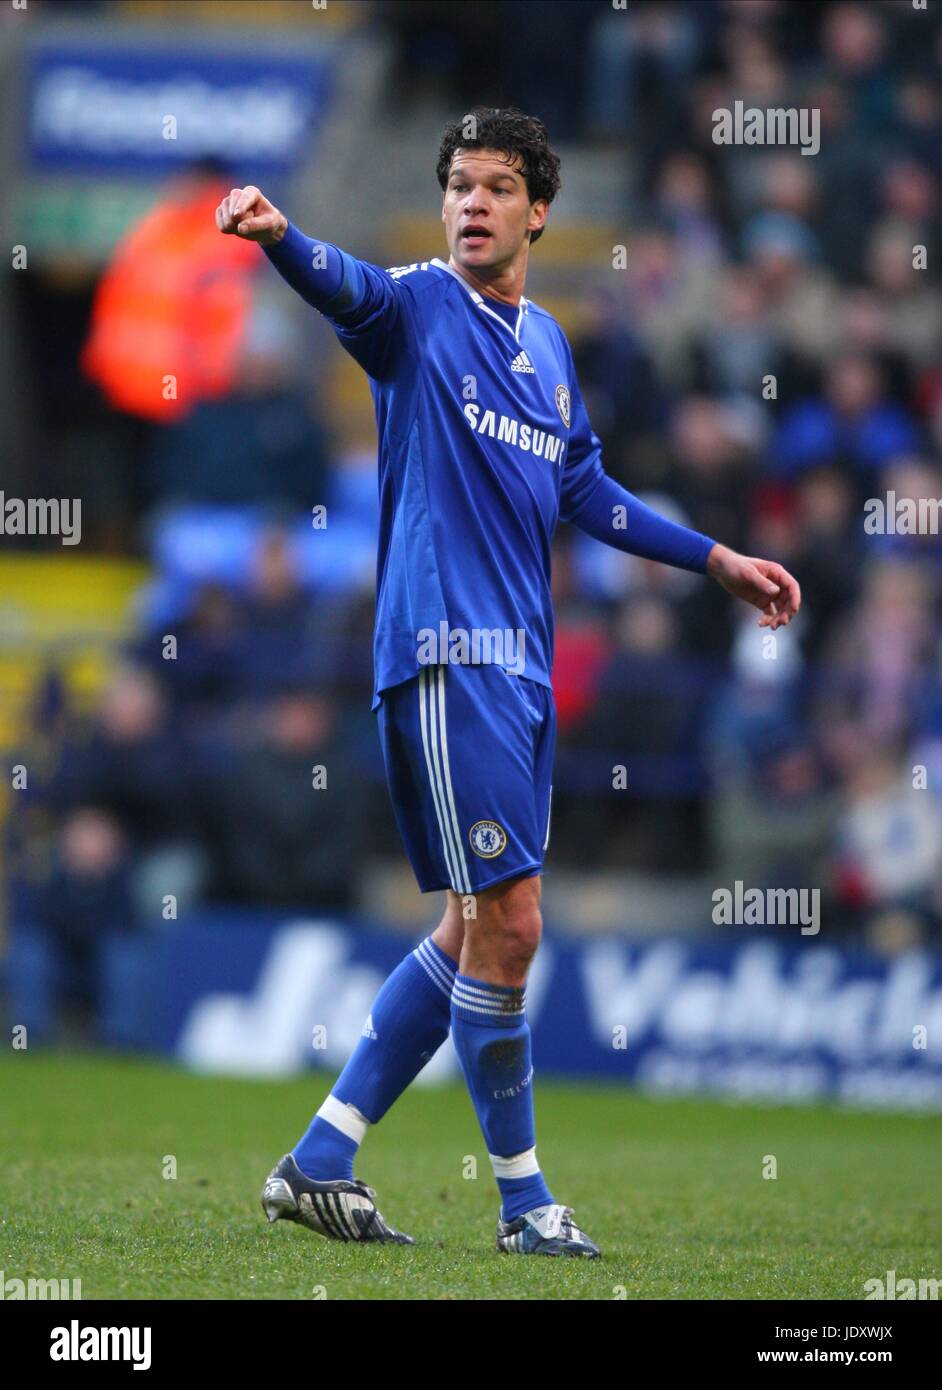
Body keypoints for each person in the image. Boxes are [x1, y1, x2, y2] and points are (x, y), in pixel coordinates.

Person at [215, 107, 800, 1258]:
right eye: (458, 186)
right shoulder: (420, 308)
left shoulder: (549, 348)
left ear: (539, 209)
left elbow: (584, 488)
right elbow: (349, 290)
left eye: (495, 186)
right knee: (512, 922)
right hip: (446, 657)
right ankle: (526, 1202)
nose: (472, 204)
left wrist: (715, 557)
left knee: (475, 926)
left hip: (522, 675)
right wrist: (283, 235)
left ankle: (322, 1158)